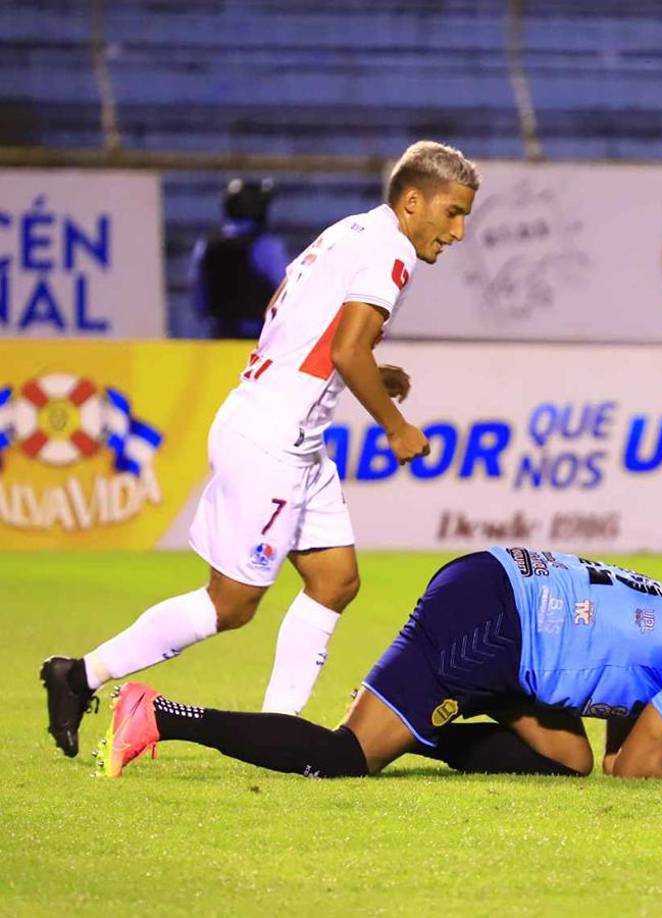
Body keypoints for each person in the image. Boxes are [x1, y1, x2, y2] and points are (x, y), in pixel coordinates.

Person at [40, 141, 479, 758]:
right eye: (453, 213)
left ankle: (277, 730)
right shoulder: (391, 254)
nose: (458, 231)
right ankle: (79, 675)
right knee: (231, 604)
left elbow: (317, 339)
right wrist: (395, 424)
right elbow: (348, 349)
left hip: (290, 434)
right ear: (413, 202)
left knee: (335, 581)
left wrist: (376, 379)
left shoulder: (353, 233)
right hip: (272, 438)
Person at [94, 548, 662, 783]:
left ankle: (421, 720)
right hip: (495, 629)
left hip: (496, 591)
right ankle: (156, 714)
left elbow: (617, 759)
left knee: (567, 763)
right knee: (346, 759)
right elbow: (645, 769)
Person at [190, 178, 291, 339]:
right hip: (259, 341)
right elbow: (287, 292)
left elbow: (199, 295)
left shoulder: (207, 244)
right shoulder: (266, 245)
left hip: (219, 338)